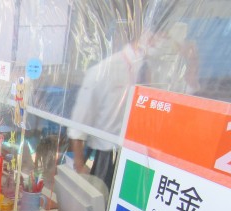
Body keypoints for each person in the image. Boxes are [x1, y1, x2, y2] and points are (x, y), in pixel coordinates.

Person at [68, 13, 199, 191]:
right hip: (107, 157)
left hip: (145, 158)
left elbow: (185, 101)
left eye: (166, 36)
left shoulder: (162, 69)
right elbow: (77, 127)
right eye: (162, 35)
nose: (164, 41)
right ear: (146, 34)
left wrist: (192, 63)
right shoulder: (104, 71)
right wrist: (79, 166)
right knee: (103, 202)